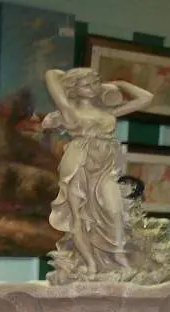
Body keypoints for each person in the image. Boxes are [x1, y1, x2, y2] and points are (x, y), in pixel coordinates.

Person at [43, 67, 153, 275]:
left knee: (115, 211)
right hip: (79, 163)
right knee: (79, 217)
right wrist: (68, 80)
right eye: (87, 84)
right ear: (74, 89)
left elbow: (146, 98)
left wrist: (121, 83)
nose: (93, 87)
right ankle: (90, 264)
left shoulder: (107, 111)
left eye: (96, 82)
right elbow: (51, 75)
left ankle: (120, 257)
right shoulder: (69, 111)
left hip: (105, 167)